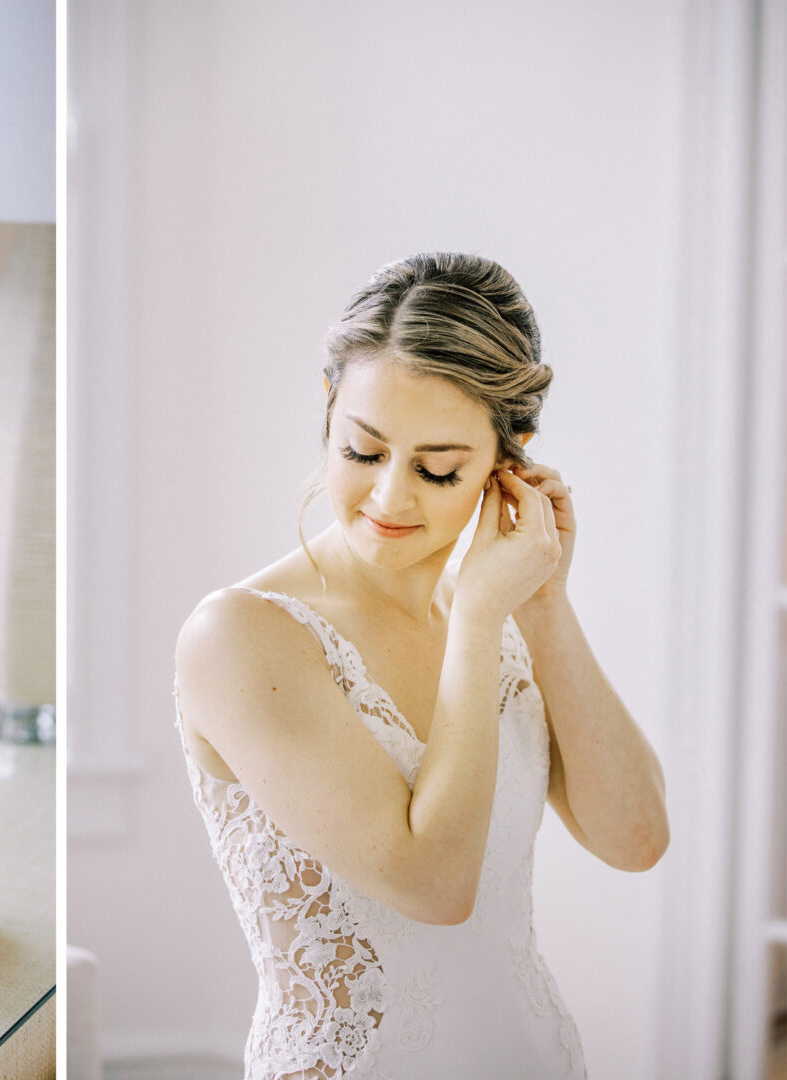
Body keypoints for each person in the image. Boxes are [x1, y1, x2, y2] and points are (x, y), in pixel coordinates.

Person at [173, 252, 669, 1079]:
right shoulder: (241, 638)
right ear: (329, 412)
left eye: (439, 468)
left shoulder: (499, 612)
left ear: (509, 461)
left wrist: (543, 603)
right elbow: (436, 887)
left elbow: (637, 838)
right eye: (363, 452)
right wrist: (478, 619)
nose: (391, 499)